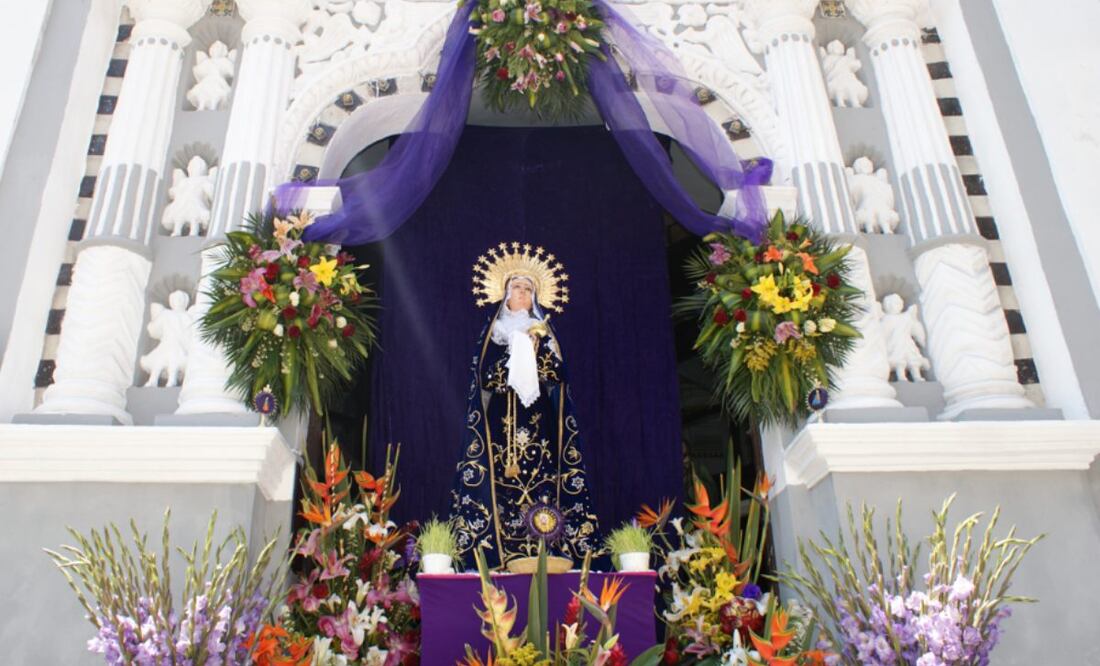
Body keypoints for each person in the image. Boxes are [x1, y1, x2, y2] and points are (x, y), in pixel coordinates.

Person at [451, 259, 599, 570]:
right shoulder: (495, 333)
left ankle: (542, 549)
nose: (522, 293)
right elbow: (485, 378)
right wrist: (515, 354)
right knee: (499, 485)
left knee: (542, 482)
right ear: (505, 294)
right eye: (517, 287)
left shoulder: (544, 335)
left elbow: (558, 375)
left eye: (528, 289)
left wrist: (536, 349)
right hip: (499, 428)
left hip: (537, 424)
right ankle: (501, 554)